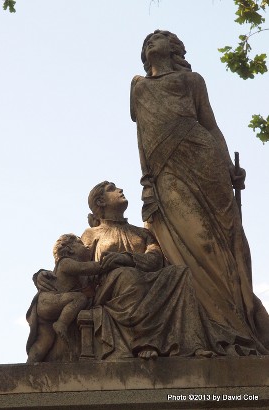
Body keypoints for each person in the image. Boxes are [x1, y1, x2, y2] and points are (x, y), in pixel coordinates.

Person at [130, 30, 269, 354]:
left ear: (174, 48)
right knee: (196, 242)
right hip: (166, 171)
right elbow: (142, 139)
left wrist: (229, 168)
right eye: (146, 41)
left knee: (217, 244)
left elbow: (209, 125)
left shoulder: (192, 81)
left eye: (158, 38)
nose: (150, 42)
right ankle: (221, 329)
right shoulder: (138, 86)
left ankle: (234, 325)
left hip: (204, 161)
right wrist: (147, 180)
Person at [81, 181, 216, 360]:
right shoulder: (92, 234)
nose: (120, 189)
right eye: (111, 189)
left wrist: (127, 258)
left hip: (146, 279)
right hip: (111, 288)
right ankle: (144, 342)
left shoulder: (142, 233)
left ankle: (192, 344)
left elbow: (155, 259)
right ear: (100, 202)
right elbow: (78, 267)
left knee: (180, 273)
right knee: (128, 275)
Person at [26, 234, 101, 364]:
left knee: (44, 341)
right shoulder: (66, 262)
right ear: (70, 249)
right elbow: (85, 268)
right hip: (50, 301)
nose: (87, 247)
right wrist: (105, 264)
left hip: (46, 307)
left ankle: (28, 366)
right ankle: (61, 323)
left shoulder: (72, 270)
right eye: (81, 244)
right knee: (79, 298)